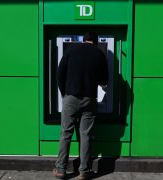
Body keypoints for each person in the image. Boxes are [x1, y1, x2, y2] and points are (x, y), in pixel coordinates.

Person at [53, 32, 108, 180]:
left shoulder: (71, 50)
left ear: (83, 40)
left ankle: (60, 169)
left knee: (66, 133)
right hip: (89, 99)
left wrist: (65, 93)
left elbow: (59, 73)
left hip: (70, 97)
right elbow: (104, 81)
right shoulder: (99, 54)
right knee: (86, 135)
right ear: (95, 42)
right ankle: (84, 170)